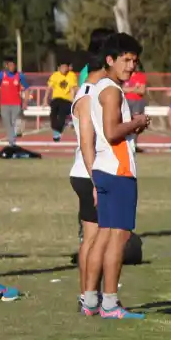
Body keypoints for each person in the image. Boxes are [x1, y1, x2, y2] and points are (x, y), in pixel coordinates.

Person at [88, 33, 152, 318]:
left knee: (104, 235)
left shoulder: (99, 87)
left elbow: (107, 131)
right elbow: (113, 131)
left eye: (134, 61)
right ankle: (110, 303)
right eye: (125, 60)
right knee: (119, 237)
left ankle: (91, 299)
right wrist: (135, 122)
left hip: (105, 167)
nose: (131, 67)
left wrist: (132, 127)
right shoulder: (112, 90)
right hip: (118, 170)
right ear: (109, 59)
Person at [71, 53, 108, 314]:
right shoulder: (89, 94)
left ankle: (86, 296)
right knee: (96, 240)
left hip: (84, 171)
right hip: (89, 172)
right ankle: (90, 297)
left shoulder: (87, 90)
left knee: (90, 238)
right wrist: (96, 178)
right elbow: (87, 141)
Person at [0, 57, 27, 146]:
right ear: (7, 66)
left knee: (13, 122)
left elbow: (27, 89)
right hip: (4, 104)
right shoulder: (1, 75)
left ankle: (12, 141)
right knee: (7, 123)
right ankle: (12, 141)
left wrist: (25, 102)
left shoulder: (20, 76)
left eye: (13, 65)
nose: (12, 67)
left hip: (16, 104)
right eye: (10, 65)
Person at [46, 59, 75, 141]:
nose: (64, 69)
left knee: (62, 112)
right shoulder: (55, 75)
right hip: (56, 99)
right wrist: (45, 100)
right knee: (53, 114)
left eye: (65, 67)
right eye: (62, 67)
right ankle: (57, 129)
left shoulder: (71, 75)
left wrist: (73, 101)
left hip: (66, 100)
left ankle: (58, 131)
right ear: (59, 68)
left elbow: (72, 89)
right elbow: (49, 88)